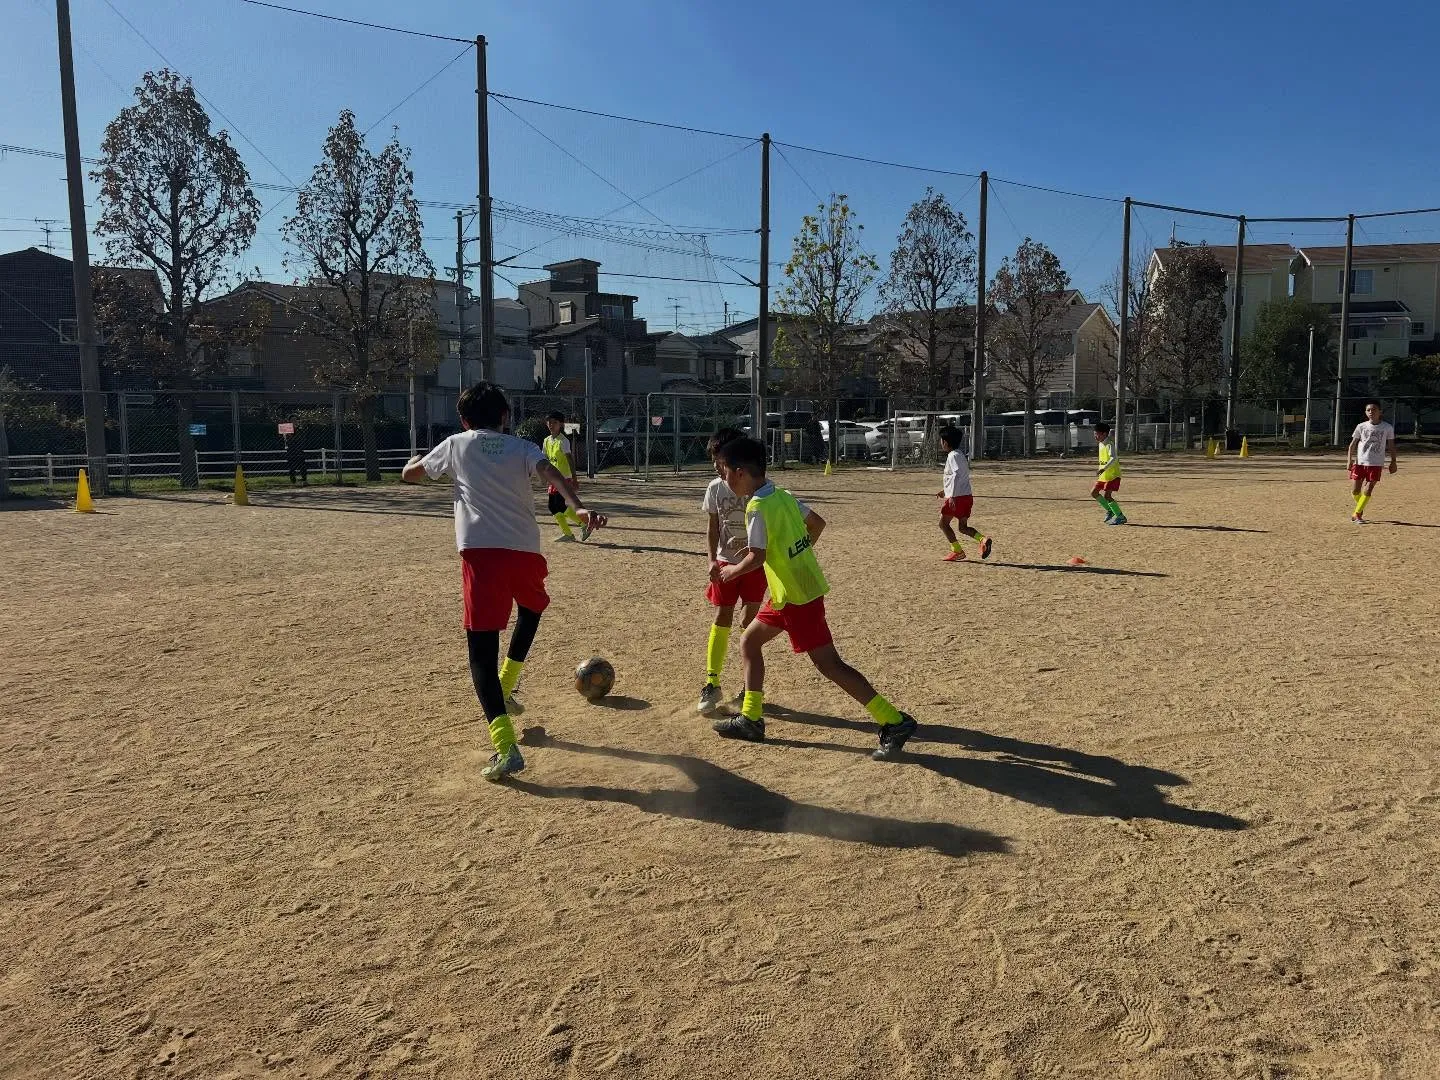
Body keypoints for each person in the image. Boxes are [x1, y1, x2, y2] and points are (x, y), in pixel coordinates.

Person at [402, 383, 606, 782]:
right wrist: (579, 507)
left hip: (482, 553)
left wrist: (413, 462)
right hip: (525, 550)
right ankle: (508, 686)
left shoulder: (456, 444)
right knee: (531, 609)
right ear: (505, 417)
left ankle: (506, 745)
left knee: (481, 651)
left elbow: (412, 475)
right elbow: (550, 472)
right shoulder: (522, 447)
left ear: (464, 421)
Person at [709, 437, 917, 761]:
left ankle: (894, 721)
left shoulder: (756, 507)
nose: (723, 480)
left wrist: (730, 572)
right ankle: (751, 718)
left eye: (724, 473)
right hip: (789, 593)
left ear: (740, 473)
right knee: (749, 642)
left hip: (797, 597)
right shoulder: (782, 495)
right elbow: (817, 524)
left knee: (829, 665)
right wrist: (796, 553)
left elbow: (757, 557)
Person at [697, 428, 766, 715]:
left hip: (753, 564)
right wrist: (712, 560)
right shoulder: (715, 488)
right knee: (722, 615)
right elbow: (713, 528)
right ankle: (712, 683)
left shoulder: (756, 487)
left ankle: (748, 686)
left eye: (720, 459)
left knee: (749, 623)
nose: (716, 465)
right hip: (726, 562)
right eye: (714, 459)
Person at [936, 426, 993, 563]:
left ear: (945, 442)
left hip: (957, 497)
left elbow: (955, 476)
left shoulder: (952, 456)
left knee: (943, 524)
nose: (940, 443)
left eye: (941, 440)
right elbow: (958, 476)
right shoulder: (960, 455)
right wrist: (945, 491)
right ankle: (983, 540)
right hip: (966, 496)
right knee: (963, 527)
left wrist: (952, 496)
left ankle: (957, 551)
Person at [1347, 401, 1397, 523]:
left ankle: (1357, 515)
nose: (1371, 412)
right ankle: (1360, 508)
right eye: (1368, 410)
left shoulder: (1387, 427)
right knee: (1355, 491)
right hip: (1360, 462)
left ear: (1380, 412)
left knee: (1368, 489)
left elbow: (1391, 446)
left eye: (1374, 410)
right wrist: (1349, 460)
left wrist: (1393, 462)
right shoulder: (1361, 426)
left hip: (1376, 464)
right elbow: (1352, 445)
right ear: (1365, 412)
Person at [542, 412, 588, 542]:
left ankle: (583, 524)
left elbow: (570, 459)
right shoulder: (546, 440)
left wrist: (574, 478)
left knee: (560, 505)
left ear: (561, 424)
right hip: (553, 478)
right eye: (549, 422)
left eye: (555, 422)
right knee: (553, 507)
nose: (551, 425)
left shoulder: (563, 441)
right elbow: (544, 459)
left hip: (563, 478)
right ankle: (567, 533)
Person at [1091, 422, 1126, 525]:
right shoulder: (1101, 444)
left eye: (1097, 434)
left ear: (1104, 434)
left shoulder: (1109, 444)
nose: (1095, 436)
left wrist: (1103, 468)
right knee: (1094, 493)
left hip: (1113, 475)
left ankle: (1120, 517)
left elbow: (1113, 458)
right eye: (1094, 434)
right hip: (1104, 475)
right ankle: (1110, 510)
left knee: (1107, 496)